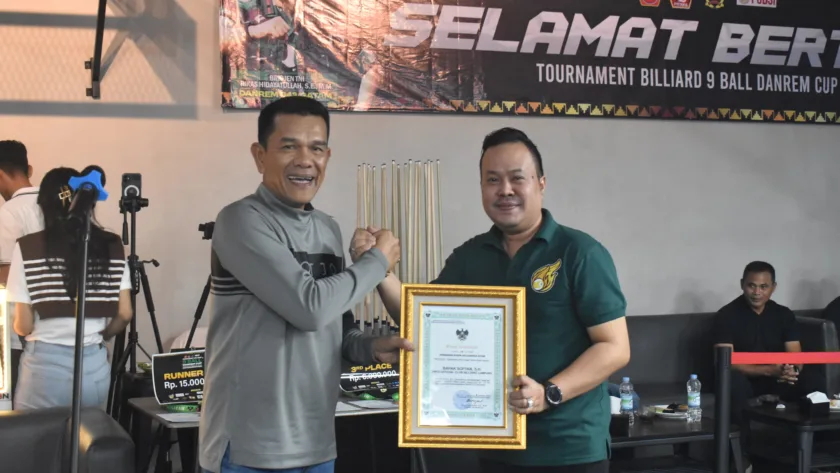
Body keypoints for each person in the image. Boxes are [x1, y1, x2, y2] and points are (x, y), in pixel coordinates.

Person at [352, 127, 631, 473]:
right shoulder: (470, 257)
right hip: (495, 445)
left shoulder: (580, 253)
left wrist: (549, 393)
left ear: (541, 183)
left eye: (517, 178)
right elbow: (420, 320)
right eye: (493, 180)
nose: (505, 190)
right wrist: (376, 267)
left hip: (570, 449)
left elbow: (615, 347)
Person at [198, 96, 411, 473]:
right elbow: (309, 308)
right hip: (249, 449)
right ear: (260, 156)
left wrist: (369, 348)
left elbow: (336, 327)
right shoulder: (239, 221)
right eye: (288, 147)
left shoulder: (328, 229)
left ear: (327, 157)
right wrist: (378, 261)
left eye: (316, 148)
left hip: (316, 444)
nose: (304, 160)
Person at [5, 166, 134, 410]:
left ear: (44, 206)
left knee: (36, 434)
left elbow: (24, 324)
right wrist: (102, 336)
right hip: (94, 365)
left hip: (44, 369)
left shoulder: (28, 247)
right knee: (86, 432)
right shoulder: (112, 245)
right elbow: (125, 313)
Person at [714, 261, 825, 420]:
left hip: (778, 378)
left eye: (763, 287)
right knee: (731, 381)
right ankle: (741, 435)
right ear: (742, 284)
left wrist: (791, 370)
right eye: (751, 286)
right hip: (746, 380)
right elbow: (726, 361)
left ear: (773, 287)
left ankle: (813, 435)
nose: (757, 292)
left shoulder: (784, 314)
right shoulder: (726, 315)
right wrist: (768, 370)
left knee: (814, 379)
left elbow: (795, 356)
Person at [0, 140, 44, 407]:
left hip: (20, 336)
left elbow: (6, 277)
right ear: (29, 169)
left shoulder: (8, 213)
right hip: (60, 334)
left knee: (21, 417)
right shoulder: (59, 206)